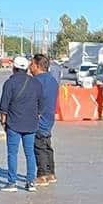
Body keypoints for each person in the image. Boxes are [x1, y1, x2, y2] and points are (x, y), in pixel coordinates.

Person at [0, 56, 43, 192]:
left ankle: (11, 183)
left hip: (14, 124)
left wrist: (3, 121)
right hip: (31, 124)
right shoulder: (36, 83)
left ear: (14, 68)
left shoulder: (9, 83)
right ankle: (30, 182)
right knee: (30, 153)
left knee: (12, 153)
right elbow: (41, 105)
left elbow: (3, 106)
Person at [29, 54, 59, 186]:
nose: (30, 67)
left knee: (39, 146)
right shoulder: (52, 80)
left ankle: (42, 175)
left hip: (39, 118)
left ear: (37, 65)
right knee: (47, 146)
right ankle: (51, 173)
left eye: (31, 64)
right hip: (49, 117)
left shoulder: (35, 81)